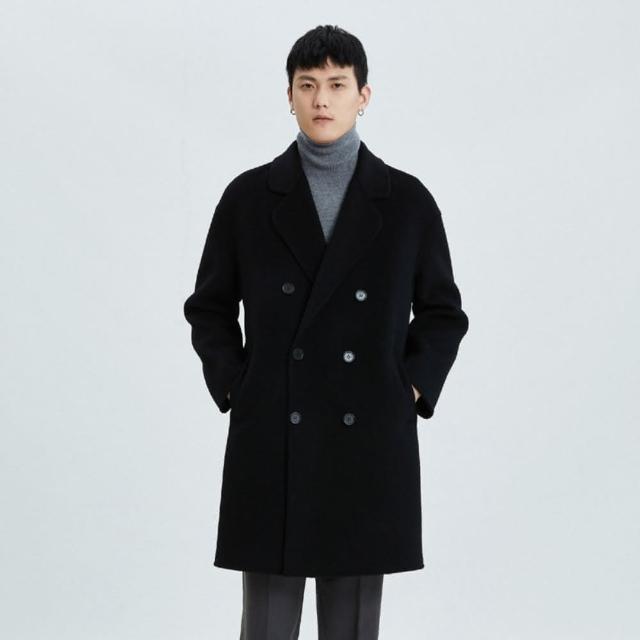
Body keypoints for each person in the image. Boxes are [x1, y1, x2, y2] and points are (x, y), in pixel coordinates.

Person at [184, 24, 469, 640]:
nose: (321, 99)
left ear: (364, 95)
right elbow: (208, 308)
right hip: (273, 435)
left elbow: (443, 312)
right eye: (307, 85)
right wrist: (237, 385)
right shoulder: (248, 199)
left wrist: (410, 388)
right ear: (288, 95)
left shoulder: (408, 202)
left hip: (367, 438)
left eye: (337, 85)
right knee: (265, 627)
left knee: (352, 630)